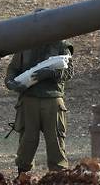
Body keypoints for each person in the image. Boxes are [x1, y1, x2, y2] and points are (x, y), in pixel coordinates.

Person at [5, 31, 74, 174]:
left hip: (52, 99)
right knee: (27, 140)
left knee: (55, 140)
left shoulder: (61, 45)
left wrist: (51, 73)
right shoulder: (25, 45)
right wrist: (10, 82)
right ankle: (22, 174)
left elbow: (69, 72)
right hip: (29, 98)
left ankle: (58, 175)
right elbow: (13, 68)